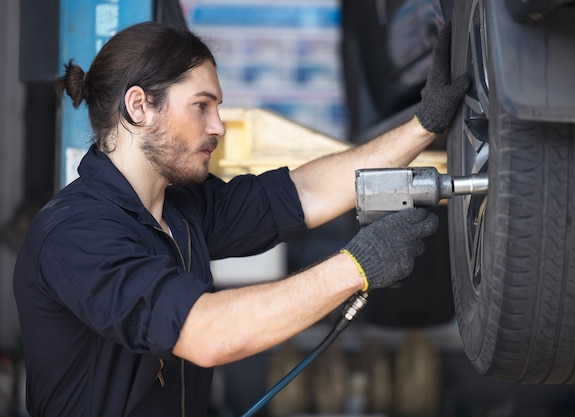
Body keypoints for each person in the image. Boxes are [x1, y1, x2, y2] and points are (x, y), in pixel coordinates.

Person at [13, 21, 469, 417]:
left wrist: (422, 126)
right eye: (201, 105)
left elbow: (303, 193)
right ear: (139, 107)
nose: (218, 126)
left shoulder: (182, 207)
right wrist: (355, 267)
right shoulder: (75, 234)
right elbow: (204, 332)